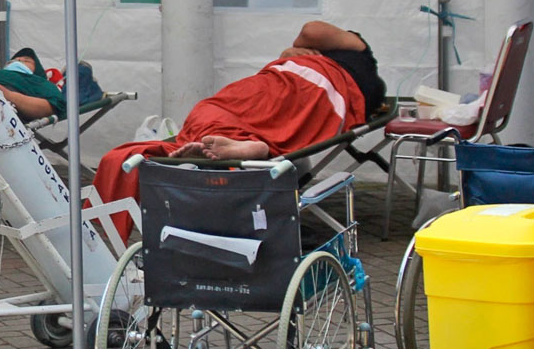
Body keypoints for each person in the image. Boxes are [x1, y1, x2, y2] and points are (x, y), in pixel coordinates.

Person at [92, 21, 386, 241]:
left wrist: (293, 50)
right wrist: (293, 52)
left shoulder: (357, 53)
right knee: (269, 120)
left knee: (220, 108)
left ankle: (243, 142)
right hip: (306, 92)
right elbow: (312, 36)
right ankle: (250, 144)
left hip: (296, 85)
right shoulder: (361, 77)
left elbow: (311, 30)